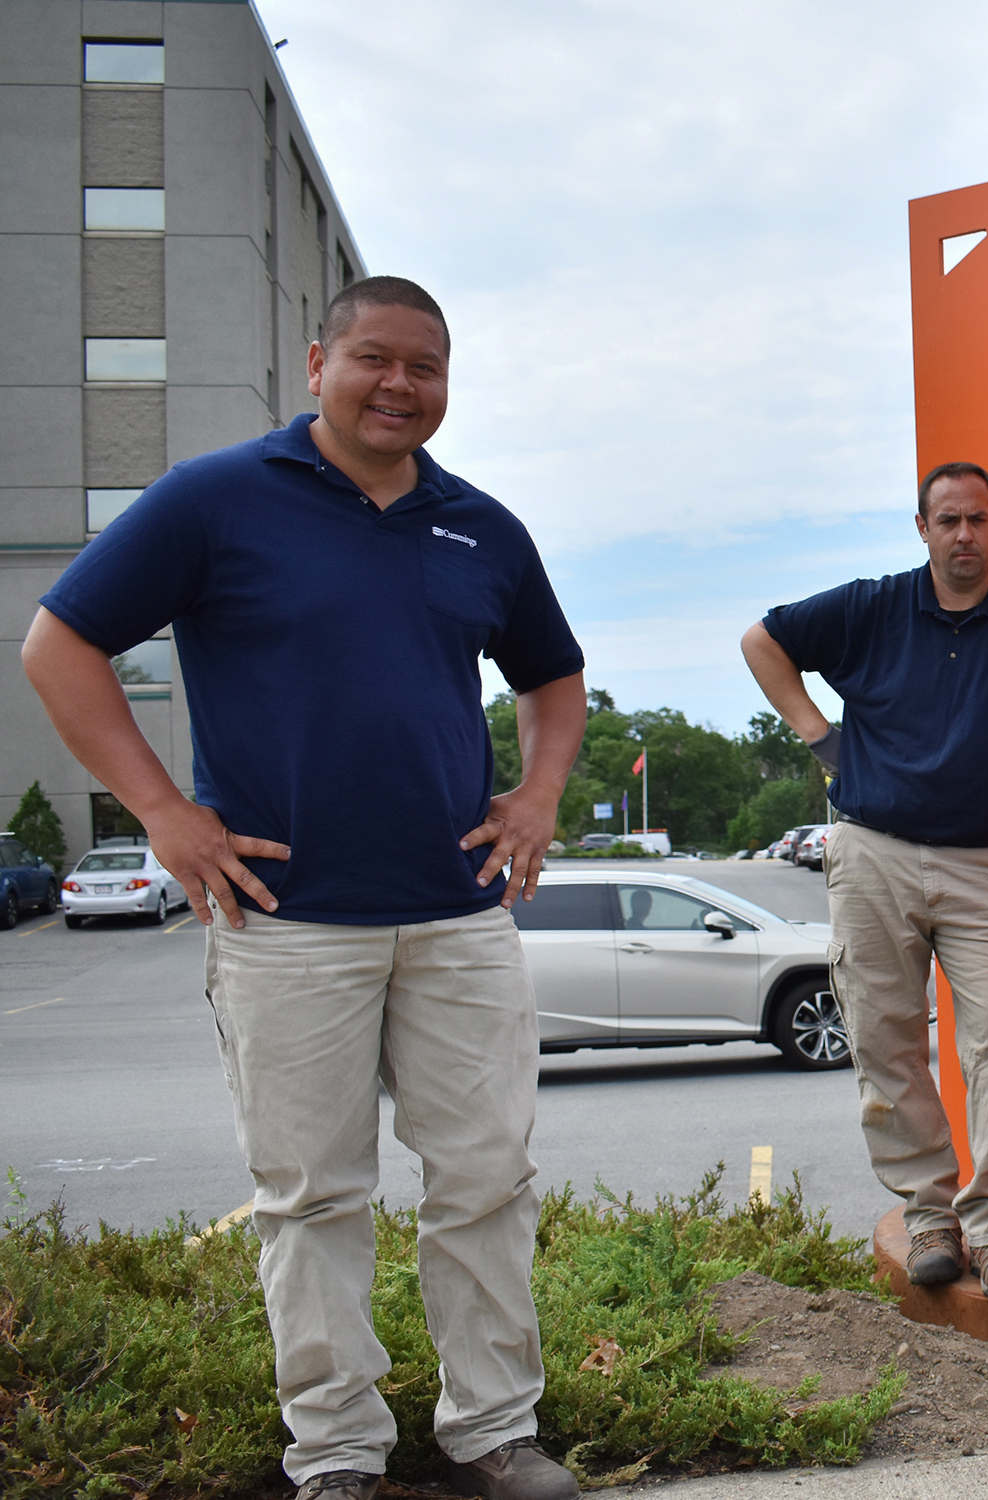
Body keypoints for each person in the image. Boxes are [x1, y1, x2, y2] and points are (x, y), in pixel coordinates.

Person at [21, 278, 586, 1500]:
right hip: (287, 925)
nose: (400, 386)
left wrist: (537, 795)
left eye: (425, 367)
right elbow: (59, 643)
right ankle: (335, 1452)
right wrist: (162, 812)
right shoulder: (214, 500)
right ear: (319, 362)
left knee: (486, 1182)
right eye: (374, 359)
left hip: (458, 914)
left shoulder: (480, 527)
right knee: (313, 1197)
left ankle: (494, 1431)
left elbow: (553, 674)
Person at [739, 461, 988, 1301]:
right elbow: (762, 640)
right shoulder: (871, 608)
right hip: (874, 852)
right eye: (948, 521)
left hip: (985, 863)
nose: (964, 535)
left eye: (977, 519)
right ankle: (930, 1215)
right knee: (883, 1037)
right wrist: (818, 736)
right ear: (922, 528)